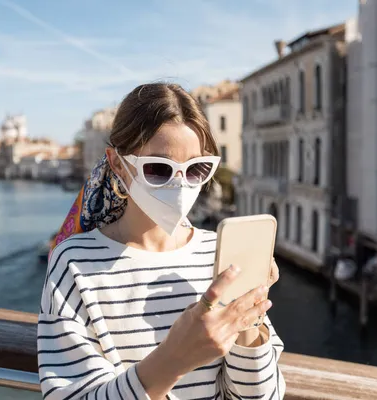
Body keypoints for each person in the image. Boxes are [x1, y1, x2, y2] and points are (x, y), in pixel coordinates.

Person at [38, 83, 285, 400]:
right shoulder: (74, 264)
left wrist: (249, 317)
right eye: (158, 168)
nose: (180, 185)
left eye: (196, 168)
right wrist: (173, 360)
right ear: (117, 164)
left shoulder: (220, 255)